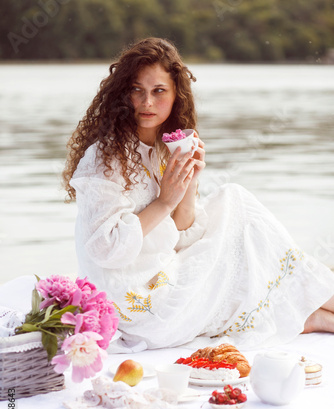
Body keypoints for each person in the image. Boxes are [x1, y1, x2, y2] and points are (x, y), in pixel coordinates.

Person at [62, 37, 334, 351]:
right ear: (122, 93)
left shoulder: (163, 149)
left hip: (160, 275)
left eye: (158, 91)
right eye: (137, 89)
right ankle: (320, 301)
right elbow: (104, 249)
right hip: (136, 308)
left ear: (176, 95)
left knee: (233, 202)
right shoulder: (105, 157)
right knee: (238, 207)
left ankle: (315, 315)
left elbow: (181, 237)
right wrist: (165, 200)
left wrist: (188, 184)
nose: (147, 102)